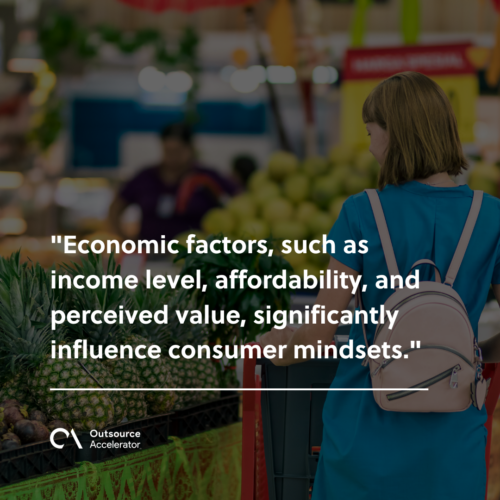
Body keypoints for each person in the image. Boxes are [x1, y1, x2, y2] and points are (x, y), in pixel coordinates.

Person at [259, 71, 500, 499]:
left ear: (397, 136)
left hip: (364, 426)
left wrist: (275, 347)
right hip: (453, 428)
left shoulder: (361, 212)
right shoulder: (492, 216)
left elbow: (317, 335)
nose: (370, 146)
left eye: (373, 132)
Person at [108, 123, 237, 243]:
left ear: (190, 149)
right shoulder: (145, 177)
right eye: (168, 151)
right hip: (151, 256)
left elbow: (236, 203)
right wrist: (125, 240)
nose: (172, 157)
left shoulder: (206, 178)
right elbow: (116, 208)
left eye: (177, 151)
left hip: (195, 258)